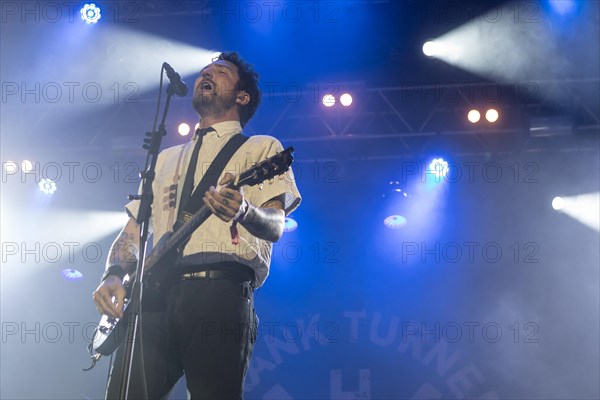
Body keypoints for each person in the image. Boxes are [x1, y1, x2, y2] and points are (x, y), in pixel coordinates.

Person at [92, 51, 301, 400]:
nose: (207, 73)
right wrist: (113, 274)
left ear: (242, 96)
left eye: (219, 72)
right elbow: (132, 230)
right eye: (205, 70)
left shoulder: (262, 147)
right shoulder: (164, 157)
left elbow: (277, 223)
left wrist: (246, 211)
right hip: (153, 295)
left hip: (218, 292)